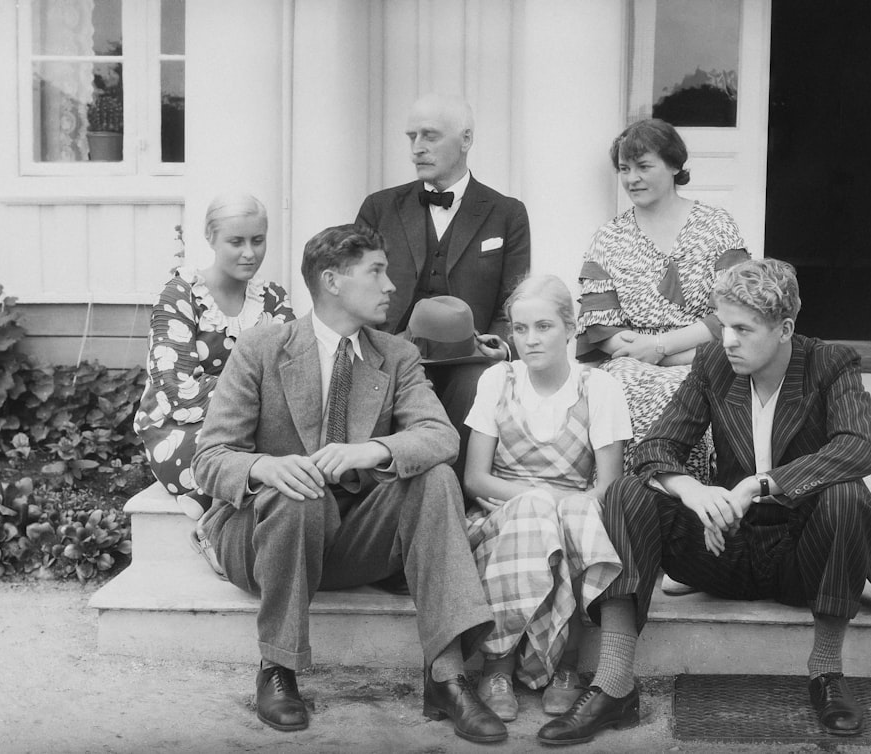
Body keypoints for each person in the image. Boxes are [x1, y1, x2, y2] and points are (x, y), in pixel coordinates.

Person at [538, 258, 871, 746]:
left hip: (805, 556)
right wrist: (693, 491)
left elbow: (860, 445)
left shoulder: (830, 364)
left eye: (743, 329)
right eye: (724, 325)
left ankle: (827, 673)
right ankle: (614, 683)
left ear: (785, 328)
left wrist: (759, 484)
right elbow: (655, 448)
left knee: (847, 494)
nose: (727, 339)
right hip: (729, 544)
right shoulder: (713, 365)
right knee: (626, 491)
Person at [191, 224, 507, 744]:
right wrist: (264, 467)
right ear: (333, 281)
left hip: (352, 537)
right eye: (376, 272)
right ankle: (277, 669)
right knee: (299, 493)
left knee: (435, 482)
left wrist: (376, 449)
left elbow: (439, 437)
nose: (391, 287)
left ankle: (446, 676)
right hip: (265, 536)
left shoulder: (395, 354)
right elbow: (210, 457)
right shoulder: (261, 349)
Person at [462, 275, 632, 722]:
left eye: (544, 327)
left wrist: (558, 508)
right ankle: (498, 665)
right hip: (499, 520)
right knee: (539, 511)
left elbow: (607, 487)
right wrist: (537, 499)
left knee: (575, 513)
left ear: (571, 328)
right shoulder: (499, 379)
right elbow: (476, 479)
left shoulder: (599, 387)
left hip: (570, 523)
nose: (530, 340)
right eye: (520, 329)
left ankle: (566, 664)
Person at [356, 93, 530, 479]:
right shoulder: (379, 208)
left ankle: (458, 499)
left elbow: (513, 303)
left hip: (470, 356)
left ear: (466, 139)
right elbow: (356, 291)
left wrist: (500, 346)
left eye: (430, 136)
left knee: (482, 384)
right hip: (389, 350)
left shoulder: (507, 213)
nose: (417, 148)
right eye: (411, 137)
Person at [576, 118, 748, 476]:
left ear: (673, 166)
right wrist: (646, 352)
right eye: (624, 169)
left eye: (643, 166)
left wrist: (661, 348)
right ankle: (629, 504)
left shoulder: (716, 226)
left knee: (692, 390)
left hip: (705, 354)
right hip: (629, 361)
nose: (631, 178)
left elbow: (736, 311)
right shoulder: (608, 237)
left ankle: (692, 508)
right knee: (617, 389)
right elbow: (600, 327)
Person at [134, 192, 294, 520]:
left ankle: (211, 504)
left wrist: (244, 396)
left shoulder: (273, 299)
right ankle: (216, 514)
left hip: (253, 428)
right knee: (264, 452)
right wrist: (258, 394)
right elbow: (177, 389)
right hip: (185, 431)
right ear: (210, 237)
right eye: (236, 241)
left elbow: (293, 376)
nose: (250, 253)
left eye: (258, 240)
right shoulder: (181, 295)